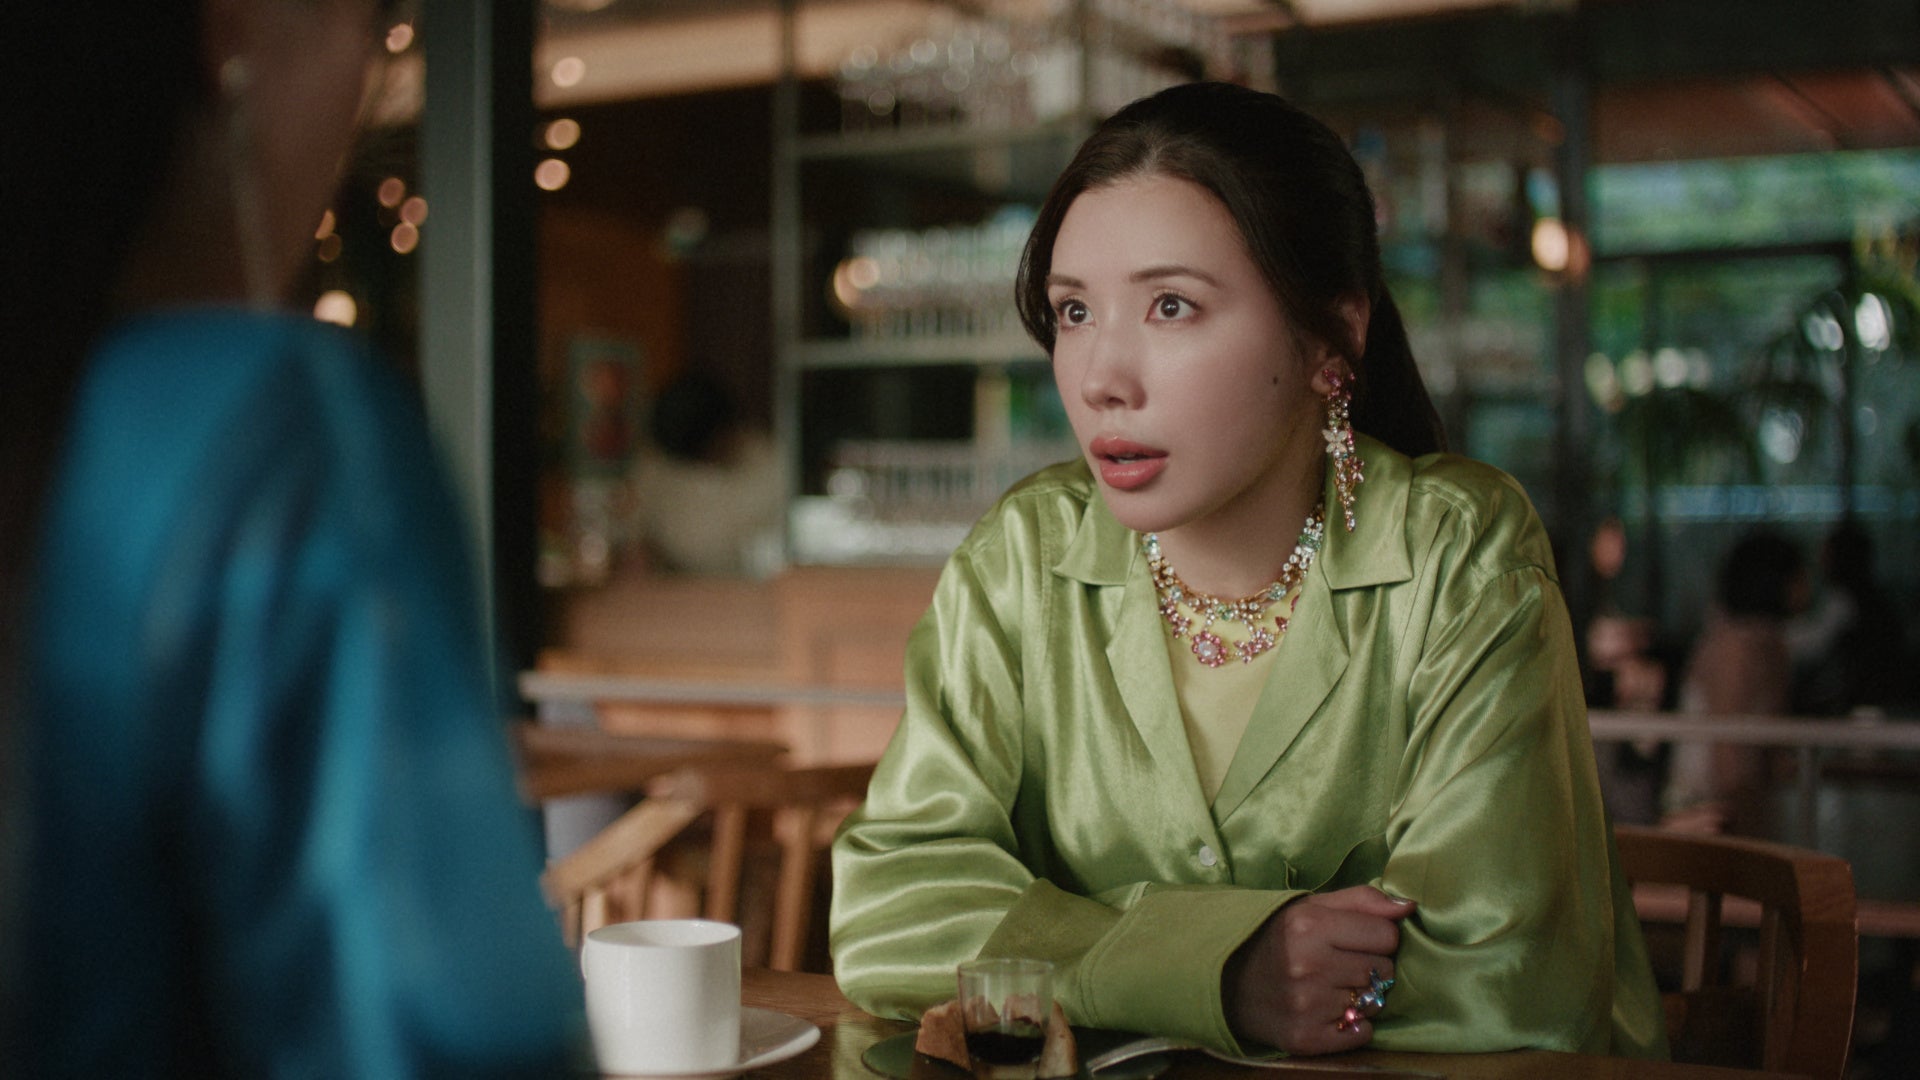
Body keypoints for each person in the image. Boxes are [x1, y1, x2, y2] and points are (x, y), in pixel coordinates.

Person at [830, 82, 1666, 1061]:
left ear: (1331, 337)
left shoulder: (1456, 553)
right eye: (1074, 311)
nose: (1101, 377)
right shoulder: (1023, 558)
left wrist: (1086, 954)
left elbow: (1506, 980)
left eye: (1171, 305)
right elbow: (889, 910)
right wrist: (1220, 971)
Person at [1, 2, 582, 1073]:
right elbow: (450, 1041)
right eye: (373, 22)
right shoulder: (276, 445)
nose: (372, 75)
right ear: (232, 27)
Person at [1662, 530, 1808, 836]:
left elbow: (1772, 743)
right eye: (1798, 575)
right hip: (1706, 805)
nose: (1806, 585)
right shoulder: (1732, 646)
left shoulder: (1772, 644)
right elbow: (1725, 747)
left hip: (1749, 795)